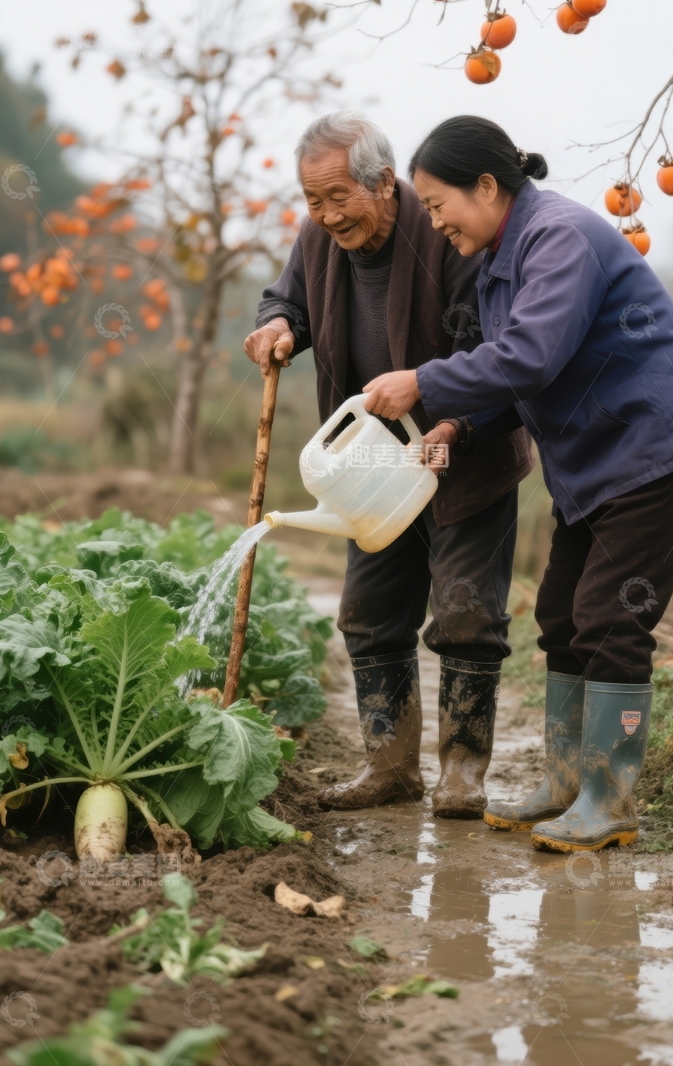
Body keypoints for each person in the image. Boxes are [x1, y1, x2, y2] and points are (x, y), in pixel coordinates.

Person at [362, 115, 673, 853]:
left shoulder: (557, 235)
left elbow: (532, 355)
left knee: (610, 617)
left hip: (654, 443)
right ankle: (567, 785)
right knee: (564, 615)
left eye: (439, 206)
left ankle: (611, 798)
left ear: (487, 186)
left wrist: (423, 383)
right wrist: (460, 425)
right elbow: (523, 367)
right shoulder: (508, 254)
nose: (434, 223)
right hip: (598, 460)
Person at [244, 112, 533, 818]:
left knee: (467, 614)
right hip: (370, 466)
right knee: (369, 614)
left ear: (383, 182)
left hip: (463, 452)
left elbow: (495, 352)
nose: (326, 214)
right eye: (313, 200)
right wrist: (280, 324)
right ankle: (390, 767)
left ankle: (462, 772)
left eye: (340, 196)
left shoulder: (445, 231)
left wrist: (452, 422)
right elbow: (289, 300)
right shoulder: (317, 238)